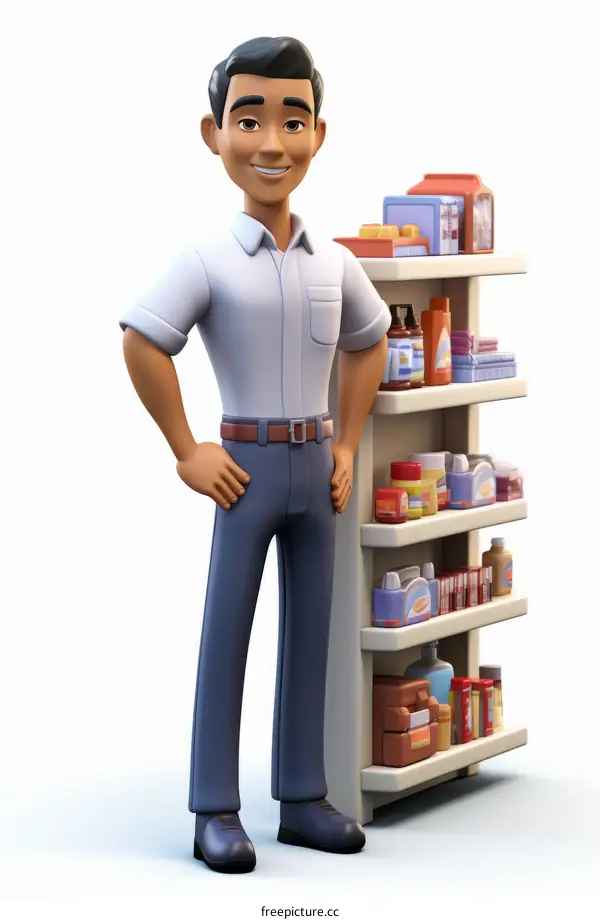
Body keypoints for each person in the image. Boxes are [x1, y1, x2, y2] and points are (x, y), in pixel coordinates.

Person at [120, 35, 390, 874]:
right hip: (243, 470)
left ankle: (303, 797)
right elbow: (142, 339)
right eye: (250, 118)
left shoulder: (333, 260)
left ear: (317, 134)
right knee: (227, 635)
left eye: (293, 120)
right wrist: (186, 447)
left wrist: (345, 439)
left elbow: (370, 340)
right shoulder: (207, 259)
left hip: (317, 470)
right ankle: (214, 809)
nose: (272, 143)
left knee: (312, 631)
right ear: (214, 133)